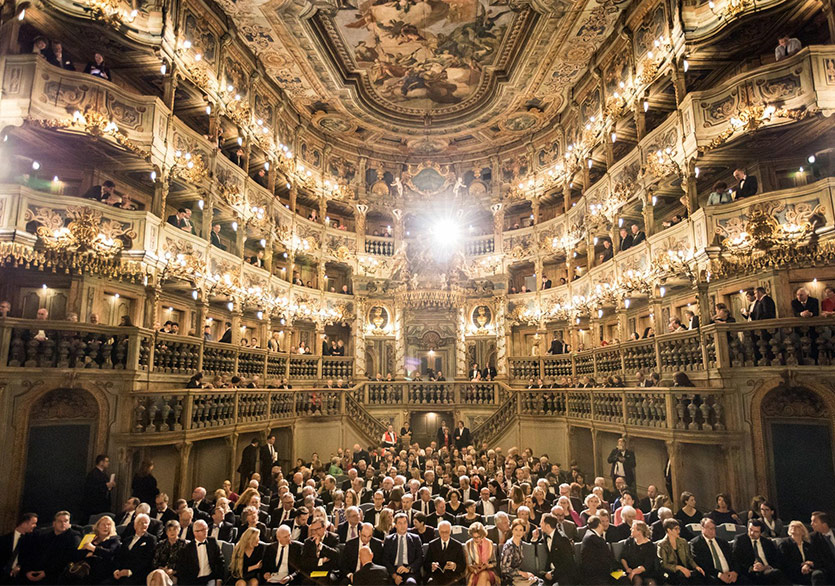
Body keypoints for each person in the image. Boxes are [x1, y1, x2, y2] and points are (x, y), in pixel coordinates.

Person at [18, 510, 79, 584]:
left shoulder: (74, 537)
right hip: (37, 570)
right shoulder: (45, 536)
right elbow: (34, 553)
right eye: (60, 521)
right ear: (54, 523)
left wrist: (46, 572)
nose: (63, 524)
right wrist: (27, 570)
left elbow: (66, 559)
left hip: (56, 575)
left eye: (66, 521)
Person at [731, 519, 787, 585]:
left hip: (766, 570)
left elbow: (776, 559)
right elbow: (735, 559)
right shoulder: (740, 540)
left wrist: (765, 567)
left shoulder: (767, 542)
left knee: (777, 572)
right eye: (750, 530)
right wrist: (751, 568)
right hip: (750, 572)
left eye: (756, 532)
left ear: (761, 533)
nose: (752, 533)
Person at [689, 518, 740, 585]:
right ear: (702, 528)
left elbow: (733, 558)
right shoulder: (696, 543)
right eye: (708, 528)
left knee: (746, 581)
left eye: (713, 528)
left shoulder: (722, 542)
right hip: (713, 575)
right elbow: (701, 563)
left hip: (730, 574)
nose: (711, 531)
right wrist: (719, 575)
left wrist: (735, 572)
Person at [580, 515, 628, 585]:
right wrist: (618, 568)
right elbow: (606, 557)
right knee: (624, 580)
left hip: (598, 571)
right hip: (597, 575)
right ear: (599, 525)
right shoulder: (594, 538)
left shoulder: (590, 535)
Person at [74, 514, 121, 584]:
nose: (106, 527)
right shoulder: (91, 537)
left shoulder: (115, 539)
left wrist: (93, 549)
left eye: (109, 524)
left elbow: (110, 553)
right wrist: (87, 553)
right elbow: (79, 552)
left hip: (103, 570)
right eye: (103, 524)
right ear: (98, 526)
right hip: (86, 569)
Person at [177, 520, 225, 585]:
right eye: (202, 530)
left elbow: (220, 561)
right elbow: (183, 570)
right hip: (193, 580)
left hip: (210, 578)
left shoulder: (212, 542)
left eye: (206, 529)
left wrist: (219, 579)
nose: (205, 532)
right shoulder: (187, 548)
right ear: (195, 533)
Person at [111, 513, 156, 584]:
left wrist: (130, 571)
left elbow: (147, 560)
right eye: (141, 523)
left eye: (146, 523)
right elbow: (119, 556)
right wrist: (116, 570)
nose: (144, 525)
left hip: (137, 574)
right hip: (121, 572)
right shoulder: (127, 540)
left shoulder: (151, 539)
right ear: (135, 525)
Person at [658, 519, 705, 584]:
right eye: (676, 529)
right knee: (682, 578)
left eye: (679, 528)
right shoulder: (662, 545)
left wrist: (696, 566)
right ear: (669, 530)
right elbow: (664, 565)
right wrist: (679, 567)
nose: (679, 531)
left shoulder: (683, 542)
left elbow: (689, 559)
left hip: (685, 569)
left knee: (700, 575)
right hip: (672, 572)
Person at [779, 520, 825, 585]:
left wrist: (809, 565)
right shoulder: (785, 544)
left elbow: (815, 559)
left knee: (818, 574)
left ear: (803, 531)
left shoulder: (807, 545)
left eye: (797, 526)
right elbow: (785, 562)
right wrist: (803, 565)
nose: (793, 527)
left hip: (809, 570)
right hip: (794, 572)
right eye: (792, 526)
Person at [383, 513, 423, 585]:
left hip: (409, 571)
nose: (403, 526)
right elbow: (385, 559)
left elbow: (420, 558)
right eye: (400, 523)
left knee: (411, 583)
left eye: (405, 523)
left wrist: (408, 569)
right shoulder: (389, 540)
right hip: (393, 571)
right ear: (395, 525)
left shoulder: (415, 539)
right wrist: (394, 576)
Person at [538, 513, 577, 585]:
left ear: (547, 526)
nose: (539, 524)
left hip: (564, 574)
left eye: (541, 522)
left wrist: (553, 574)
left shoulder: (562, 539)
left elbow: (567, 563)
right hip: (550, 572)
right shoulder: (546, 535)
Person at [424, 520, 466, 585]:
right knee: (431, 583)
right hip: (436, 575)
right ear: (438, 531)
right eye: (442, 532)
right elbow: (426, 564)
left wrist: (454, 566)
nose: (444, 534)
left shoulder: (457, 545)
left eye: (446, 532)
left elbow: (462, 566)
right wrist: (431, 566)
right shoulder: (432, 544)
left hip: (452, 575)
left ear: (450, 531)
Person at [619, 520, 660, 585]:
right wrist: (627, 568)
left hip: (646, 573)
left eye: (632, 528)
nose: (630, 529)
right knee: (637, 580)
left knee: (651, 583)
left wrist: (633, 572)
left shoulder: (650, 546)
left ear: (639, 532)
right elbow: (623, 557)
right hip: (630, 570)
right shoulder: (629, 541)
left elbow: (647, 565)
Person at [500, 518, 539, 586]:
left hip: (518, 576)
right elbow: (504, 569)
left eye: (521, 530)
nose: (518, 532)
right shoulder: (509, 546)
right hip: (509, 579)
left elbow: (530, 545)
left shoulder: (520, 542)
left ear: (524, 532)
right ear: (512, 531)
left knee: (539, 581)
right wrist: (522, 573)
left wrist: (534, 538)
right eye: (516, 530)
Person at [0, 512, 37, 582]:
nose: (35, 525)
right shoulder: (4, 539)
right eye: (33, 523)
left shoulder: (33, 540)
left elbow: (32, 558)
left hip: (20, 578)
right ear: (24, 523)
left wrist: (20, 566)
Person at [82, 454, 115, 522]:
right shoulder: (93, 474)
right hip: (95, 505)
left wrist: (111, 486)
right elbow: (91, 488)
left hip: (103, 504)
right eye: (106, 461)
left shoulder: (103, 474)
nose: (108, 463)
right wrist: (106, 486)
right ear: (101, 462)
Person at [809, 511, 835, 584]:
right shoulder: (813, 538)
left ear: (824, 524)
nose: (811, 524)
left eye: (814, 521)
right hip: (828, 569)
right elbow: (817, 558)